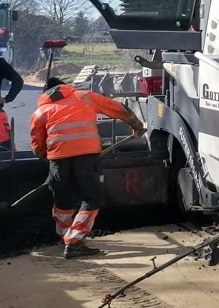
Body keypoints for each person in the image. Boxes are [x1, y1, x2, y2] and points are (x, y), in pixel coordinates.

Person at [29, 77, 145, 258]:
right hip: (86, 155)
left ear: (46, 94)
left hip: (58, 158)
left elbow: (37, 144)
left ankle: (65, 236)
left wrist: (49, 160)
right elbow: (117, 108)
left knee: (62, 200)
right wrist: (136, 125)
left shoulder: (40, 112)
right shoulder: (84, 96)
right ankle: (74, 241)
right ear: (65, 87)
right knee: (92, 197)